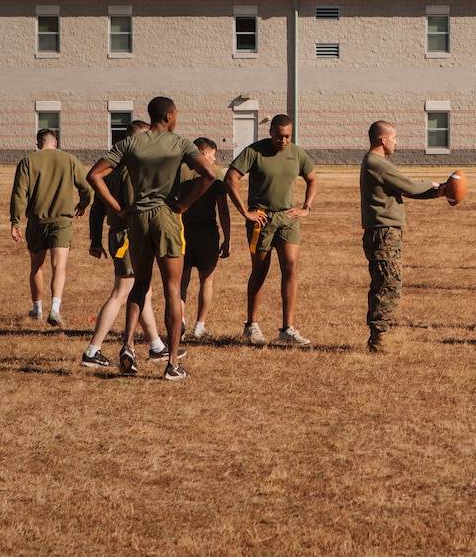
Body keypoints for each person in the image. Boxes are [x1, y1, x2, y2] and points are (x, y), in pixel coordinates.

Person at [87, 97, 216, 381]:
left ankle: (128, 345)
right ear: (169, 116)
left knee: (139, 286)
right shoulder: (180, 143)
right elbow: (209, 173)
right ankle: (172, 363)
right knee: (172, 290)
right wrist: (184, 204)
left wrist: (119, 208)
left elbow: (94, 175)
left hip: (138, 220)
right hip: (166, 218)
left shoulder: (130, 144)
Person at [81, 120, 170, 368]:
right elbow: (136, 207)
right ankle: (92, 350)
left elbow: (97, 209)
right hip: (129, 236)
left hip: (117, 235)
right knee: (122, 293)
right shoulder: (132, 169)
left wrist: (96, 240)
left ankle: (156, 346)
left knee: (143, 292)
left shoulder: (109, 168)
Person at [226, 114, 318, 346]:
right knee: (260, 269)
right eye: (279, 136)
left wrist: (306, 207)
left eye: (287, 136)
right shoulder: (254, 152)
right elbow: (231, 178)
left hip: (288, 218)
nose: (283, 141)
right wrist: (245, 211)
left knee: (291, 267)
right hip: (261, 220)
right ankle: (251, 325)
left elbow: (313, 179)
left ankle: (287, 329)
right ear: (271, 133)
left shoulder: (297, 154)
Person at [360, 121, 446, 353]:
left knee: (385, 282)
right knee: (388, 283)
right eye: (395, 137)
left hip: (385, 232)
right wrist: (437, 185)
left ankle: (378, 335)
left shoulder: (377, 163)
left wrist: (437, 193)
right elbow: (408, 186)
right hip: (383, 233)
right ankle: (379, 338)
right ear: (383, 139)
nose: (397, 141)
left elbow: (403, 189)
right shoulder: (376, 163)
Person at [10, 128, 92, 327]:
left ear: (38, 144)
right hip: (62, 222)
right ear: (55, 143)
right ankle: (55, 309)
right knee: (59, 266)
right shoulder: (69, 160)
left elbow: (19, 194)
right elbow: (87, 187)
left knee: (37, 267)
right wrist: (82, 204)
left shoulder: (28, 162)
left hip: (37, 222)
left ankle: (37, 309)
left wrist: (15, 221)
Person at [179, 137, 231, 340]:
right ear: (202, 154)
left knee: (181, 282)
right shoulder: (215, 175)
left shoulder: (178, 171)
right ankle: (199, 325)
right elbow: (223, 210)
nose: (215, 158)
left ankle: (179, 323)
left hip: (181, 232)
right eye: (212, 154)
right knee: (206, 281)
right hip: (207, 233)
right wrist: (228, 238)